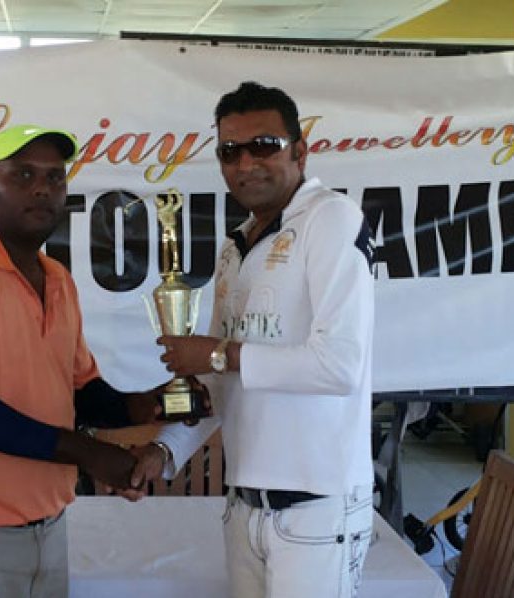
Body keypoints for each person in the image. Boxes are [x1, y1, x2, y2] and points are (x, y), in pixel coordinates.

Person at [126, 81, 376, 598]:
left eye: (264, 146)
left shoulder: (330, 219)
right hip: (244, 506)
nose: (246, 163)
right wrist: (164, 451)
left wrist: (218, 354)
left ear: (300, 151)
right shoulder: (235, 246)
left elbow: (339, 366)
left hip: (315, 510)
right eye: (229, 151)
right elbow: (219, 385)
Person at [0, 124, 161, 598]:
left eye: (55, 177)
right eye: (22, 175)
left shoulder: (57, 278)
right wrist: (89, 454)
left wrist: (143, 408)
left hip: (47, 528)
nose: (42, 188)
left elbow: (78, 391)